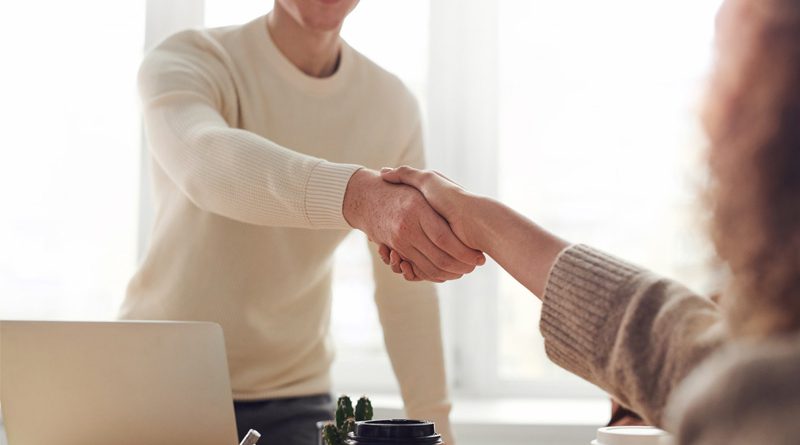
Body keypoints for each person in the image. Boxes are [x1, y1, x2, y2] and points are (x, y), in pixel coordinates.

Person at [377, 0, 800, 442]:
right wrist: (479, 219)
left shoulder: (756, 405)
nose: (704, 109)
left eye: (726, 69)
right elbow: (683, 348)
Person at [120, 1, 483, 444]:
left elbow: (405, 292)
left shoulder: (390, 105)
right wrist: (356, 197)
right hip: (155, 383)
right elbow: (204, 161)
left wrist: (436, 428)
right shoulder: (190, 58)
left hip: (294, 398)